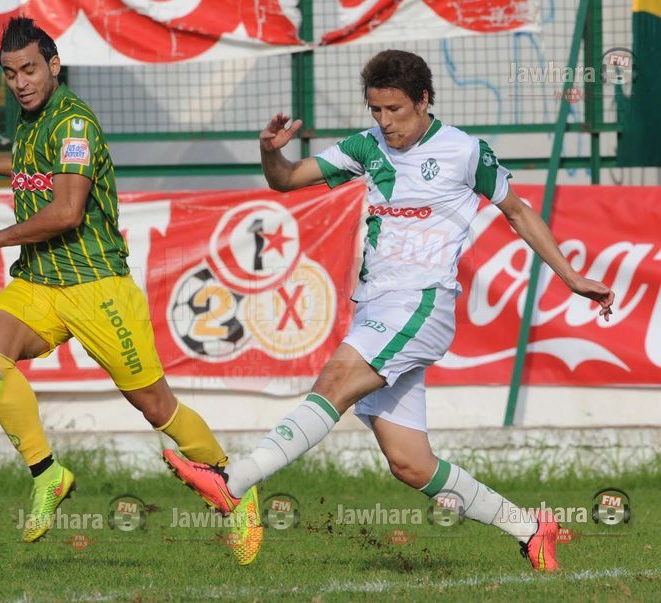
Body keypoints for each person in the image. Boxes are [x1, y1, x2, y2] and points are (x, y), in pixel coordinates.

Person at [163, 49, 615, 572]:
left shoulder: (464, 151)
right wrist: (269, 151)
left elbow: (518, 212)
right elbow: (285, 180)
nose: (385, 121)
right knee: (409, 463)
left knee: (335, 378)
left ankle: (234, 481)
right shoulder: (366, 146)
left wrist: (571, 277)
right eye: (376, 110)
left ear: (423, 100)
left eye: (395, 110)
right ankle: (532, 529)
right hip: (377, 307)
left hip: (423, 302)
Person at [0, 16, 261, 563]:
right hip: (40, 279)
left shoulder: (75, 123)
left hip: (96, 285)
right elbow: (33, 166)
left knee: (155, 406)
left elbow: (67, 210)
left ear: (54, 65)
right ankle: (47, 473)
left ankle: (237, 490)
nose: (20, 82)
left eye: (29, 69)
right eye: (10, 73)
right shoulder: (32, 119)